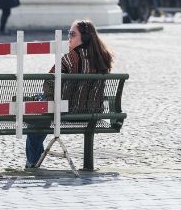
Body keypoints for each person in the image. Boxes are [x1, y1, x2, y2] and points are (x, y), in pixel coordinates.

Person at [26, 19, 115, 168]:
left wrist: (53, 95)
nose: (69, 38)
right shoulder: (103, 59)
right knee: (40, 104)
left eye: (72, 34)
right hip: (91, 113)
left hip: (66, 111)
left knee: (38, 108)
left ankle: (32, 160)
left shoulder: (69, 59)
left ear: (84, 37)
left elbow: (48, 83)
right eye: (69, 34)